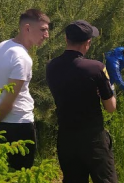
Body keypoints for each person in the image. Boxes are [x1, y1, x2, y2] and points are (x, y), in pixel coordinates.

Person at [46, 20, 118, 183]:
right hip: (93, 138)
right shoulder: (96, 68)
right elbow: (111, 107)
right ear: (88, 42)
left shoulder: (51, 66)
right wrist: (109, 90)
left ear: (66, 39)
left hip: (66, 138)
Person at [0, 8, 50, 170]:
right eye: (43, 30)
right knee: (20, 175)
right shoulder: (22, 58)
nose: (47, 35)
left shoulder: (2, 46)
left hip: (1, 123)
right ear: (27, 28)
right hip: (20, 127)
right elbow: (8, 103)